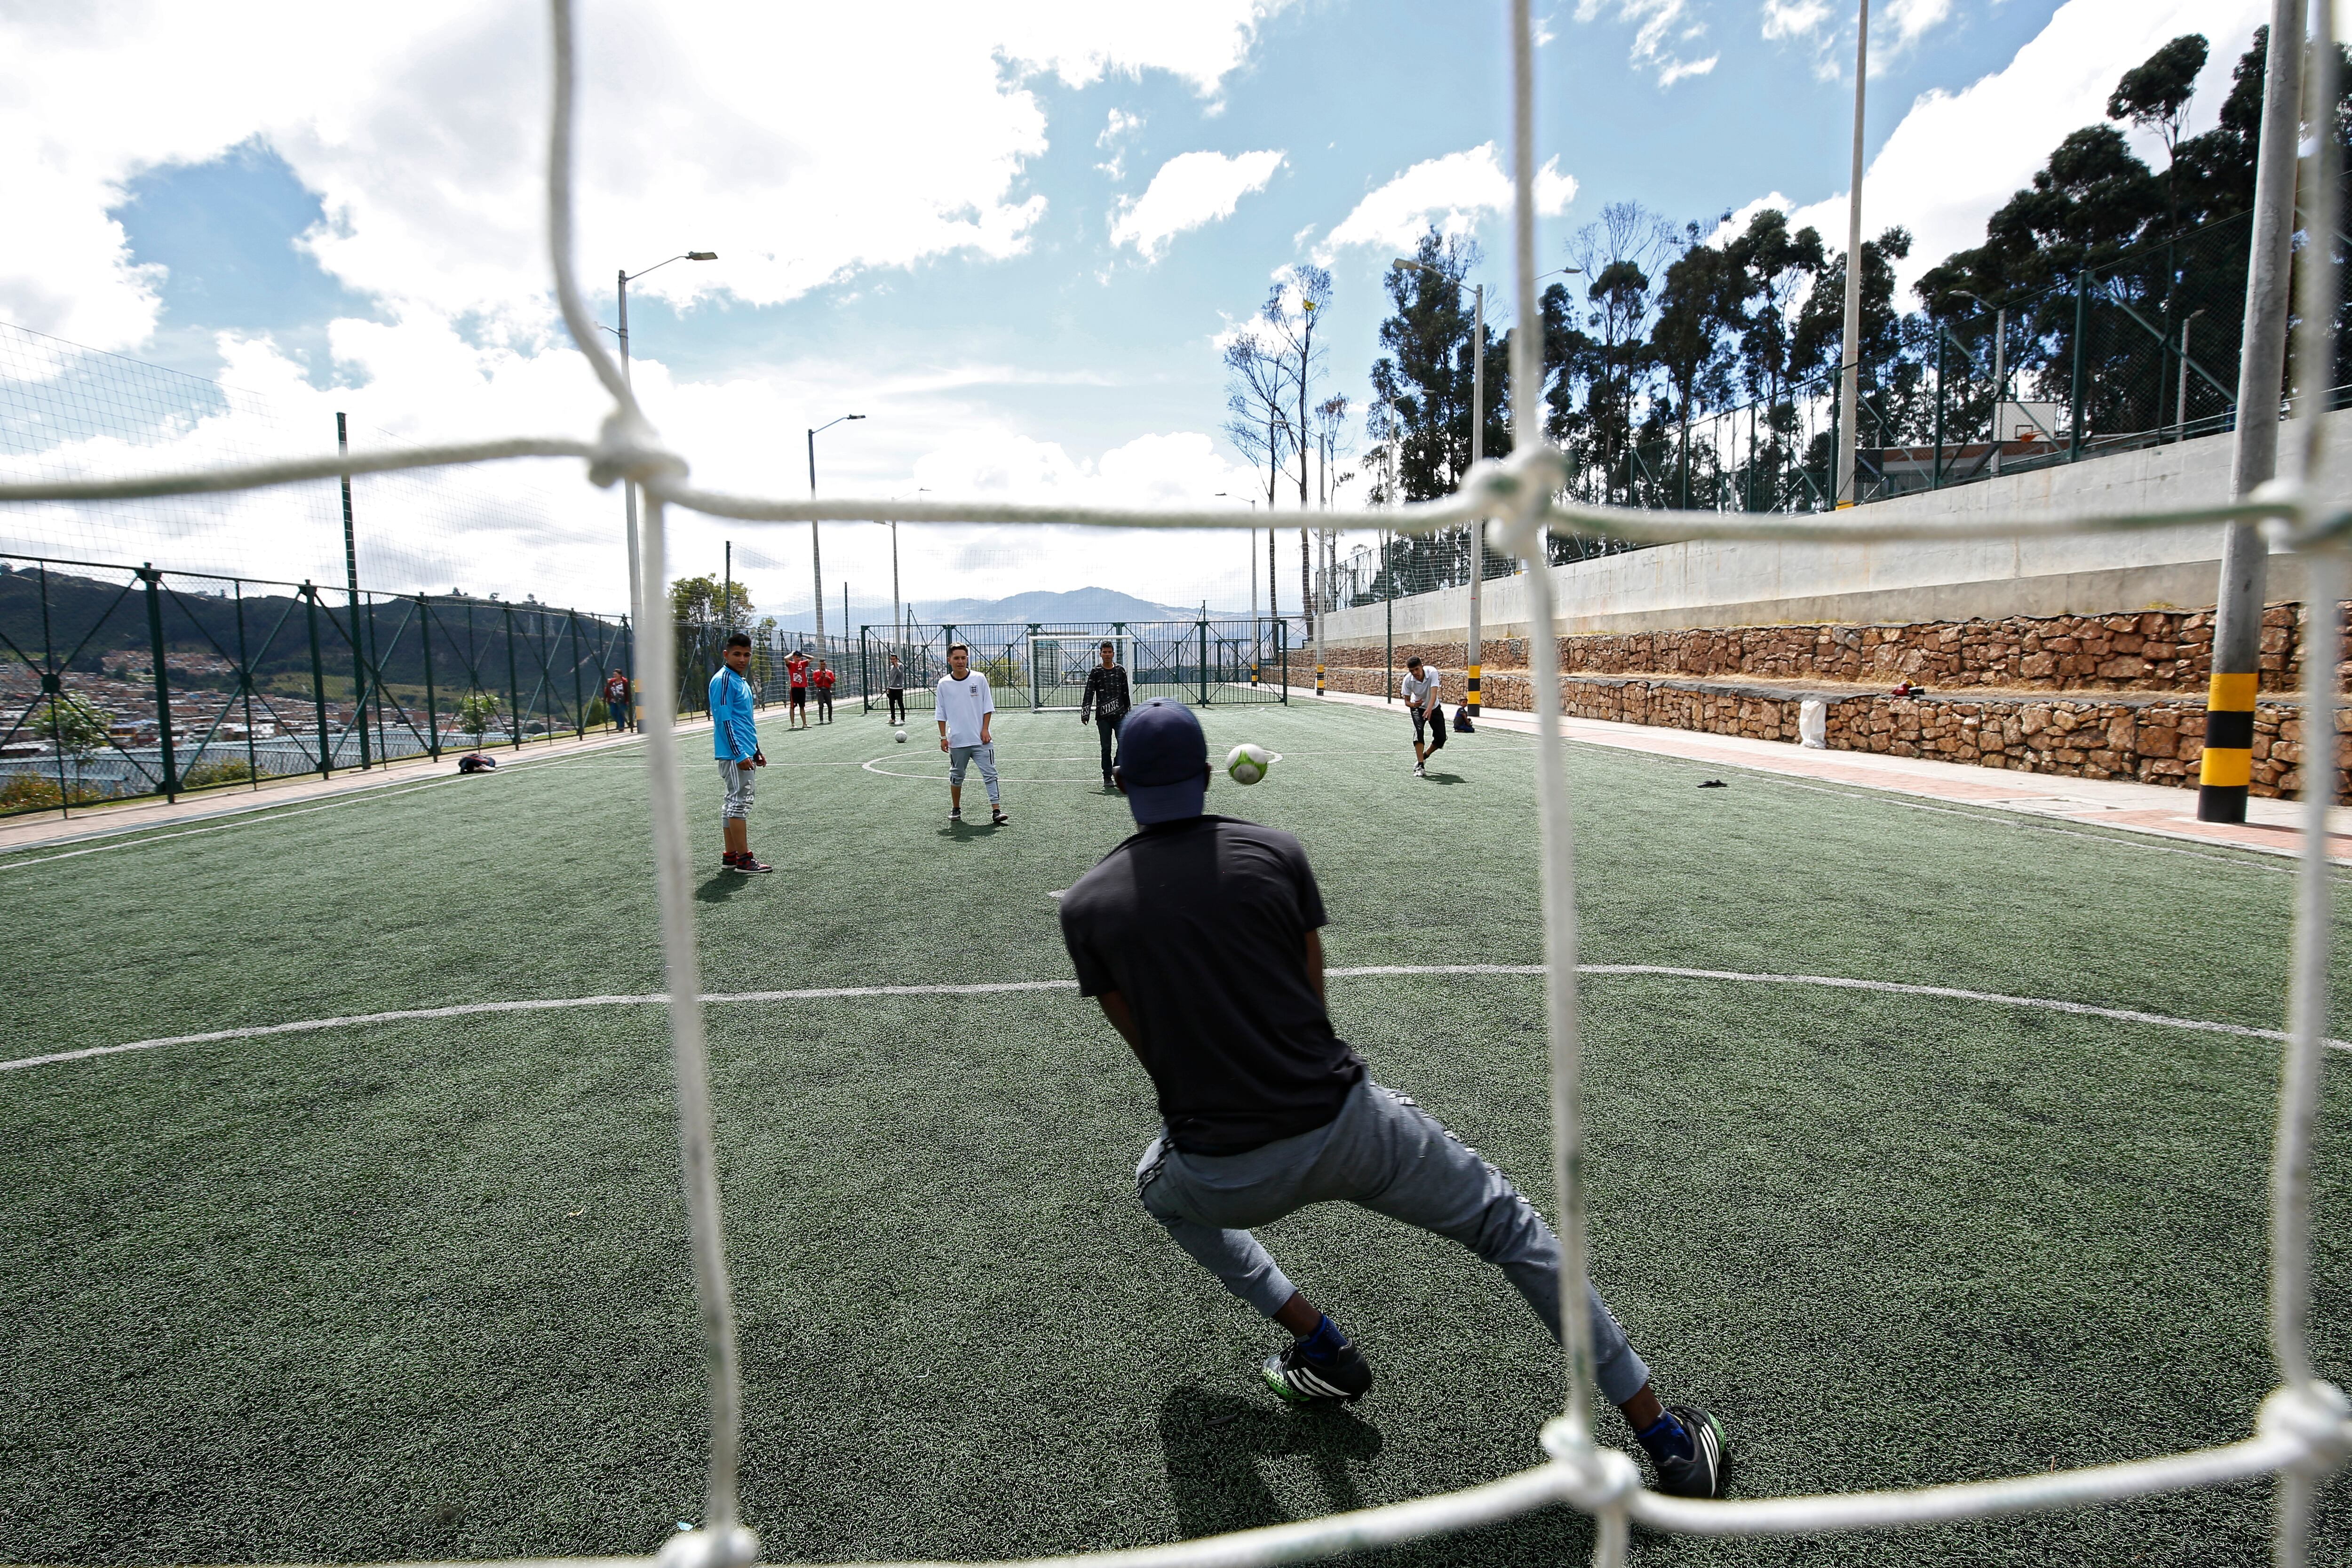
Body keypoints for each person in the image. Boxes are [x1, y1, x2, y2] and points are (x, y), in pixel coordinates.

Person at [1056, 698, 1724, 1498]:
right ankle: (1666, 1440)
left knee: (1155, 1186)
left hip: (1219, 1166)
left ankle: (1322, 1346)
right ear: (1205, 774)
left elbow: (1153, 1053)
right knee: (1510, 1226)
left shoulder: (1085, 907)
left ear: (1120, 778)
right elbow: (1314, 1003)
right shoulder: (1276, 854)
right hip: (1348, 1126)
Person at [710, 632, 771, 873]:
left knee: (733, 802)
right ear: (726, 654)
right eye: (737, 654)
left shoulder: (739, 680)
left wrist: (755, 750)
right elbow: (724, 720)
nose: (742, 659)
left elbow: (744, 721)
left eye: (747, 655)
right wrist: (739, 754)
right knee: (739, 803)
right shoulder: (724, 680)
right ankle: (744, 859)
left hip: (744, 750)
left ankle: (731, 855)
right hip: (734, 754)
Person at [936, 642, 1007, 826]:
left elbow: (987, 707)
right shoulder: (944, 684)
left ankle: (996, 811)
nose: (960, 661)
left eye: (964, 658)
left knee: (990, 774)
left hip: (981, 740)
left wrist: (985, 729)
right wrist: (943, 737)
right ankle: (956, 808)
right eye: (957, 658)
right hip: (958, 741)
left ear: (968, 659)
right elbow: (941, 713)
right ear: (949, 660)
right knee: (957, 775)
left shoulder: (979, 678)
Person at [1077, 640, 1131, 790]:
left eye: (1109, 652)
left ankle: (1117, 769)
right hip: (1103, 718)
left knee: (1123, 744)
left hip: (1120, 716)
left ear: (1113, 654)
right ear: (1101, 654)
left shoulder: (1120, 670)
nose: (1107, 655)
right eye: (1105, 652)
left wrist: (1128, 711)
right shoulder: (1096, 672)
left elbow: (1125, 692)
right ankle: (1107, 776)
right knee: (1106, 748)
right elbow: (1089, 692)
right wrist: (1085, 713)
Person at [1400, 655, 1443, 778]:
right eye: (1411, 671)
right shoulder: (1408, 680)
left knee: (1441, 739)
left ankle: (1424, 756)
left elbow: (1434, 693)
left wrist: (1429, 709)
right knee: (1419, 732)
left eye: (1417, 669)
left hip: (1433, 707)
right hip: (1418, 709)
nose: (1415, 673)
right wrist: (1414, 705)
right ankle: (1420, 766)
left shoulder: (1432, 672)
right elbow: (1407, 702)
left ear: (1422, 666)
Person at [785, 647, 811, 730]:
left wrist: (803, 654)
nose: (798, 659)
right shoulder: (791, 665)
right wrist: (792, 654)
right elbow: (786, 659)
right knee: (793, 707)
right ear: (794, 657)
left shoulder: (802, 664)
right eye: (797, 657)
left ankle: (805, 723)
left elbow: (812, 658)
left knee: (802, 707)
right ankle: (793, 724)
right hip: (794, 688)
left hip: (802, 688)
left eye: (799, 657)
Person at [603, 668, 632, 732]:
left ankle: (621, 726)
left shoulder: (625, 682)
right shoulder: (612, 682)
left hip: (622, 701)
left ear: (620, 675)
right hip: (613, 701)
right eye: (614, 674)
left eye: (616, 674)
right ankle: (619, 723)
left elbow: (628, 692)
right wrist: (605, 698)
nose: (614, 676)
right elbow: (607, 690)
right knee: (613, 712)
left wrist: (628, 700)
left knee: (620, 713)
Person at [884, 653, 908, 724]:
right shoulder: (891, 667)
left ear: (897, 659)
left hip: (899, 688)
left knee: (900, 704)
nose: (893, 661)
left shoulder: (901, 666)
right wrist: (889, 687)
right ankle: (893, 719)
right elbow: (891, 678)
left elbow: (900, 675)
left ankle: (902, 719)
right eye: (891, 659)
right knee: (892, 704)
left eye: (894, 659)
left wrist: (897, 667)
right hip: (892, 688)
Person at [814, 659, 836, 724]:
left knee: (830, 705)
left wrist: (828, 678)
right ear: (819, 665)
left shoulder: (829, 672)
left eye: (824, 665)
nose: (823, 666)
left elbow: (833, 681)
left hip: (827, 690)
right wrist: (821, 677)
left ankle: (830, 718)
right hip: (820, 690)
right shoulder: (816, 672)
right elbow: (816, 681)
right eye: (821, 665)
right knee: (821, 705)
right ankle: (821, 720)